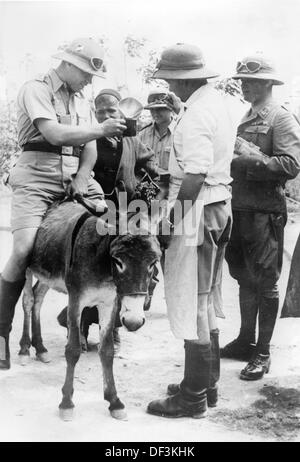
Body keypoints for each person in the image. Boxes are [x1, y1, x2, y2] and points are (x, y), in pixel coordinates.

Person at [0, 37, 127, 370]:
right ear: (68, 64)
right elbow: (54, 134)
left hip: (74, 177)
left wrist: (85, 176)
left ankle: (104, 313)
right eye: (85, 72)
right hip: (36, 179)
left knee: (113, 226)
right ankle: (1, 334)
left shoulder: (80, 101)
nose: (88, 80)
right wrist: (99, 128)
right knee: (24, 247)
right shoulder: (36, 89)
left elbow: (89, 146)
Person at [146, 43, 235, 418]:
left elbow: (195, 172)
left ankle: (193, 396)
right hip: (219, 205)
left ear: (184, 80)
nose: (169, 86)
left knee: (194, 303)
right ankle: (206, 384)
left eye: (170, 79)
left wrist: (171, 220)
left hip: (200, 209)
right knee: (207, 298)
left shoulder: (197, 113)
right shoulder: (218, 104)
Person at [56, 88, 159, 348]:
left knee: (123, 271)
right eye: (100, 111)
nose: (105, 115)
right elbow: (74, 170)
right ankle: (78, 326)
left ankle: (112, 326)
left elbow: (152, 170)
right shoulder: (88, 140)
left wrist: (146, 193)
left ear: (121, 113)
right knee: (91, 269)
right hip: (94, 214)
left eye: (111, 110)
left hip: (126, 213)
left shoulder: (132, 141)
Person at [222, 54, 300, 381]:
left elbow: (290, 165)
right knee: (242, 275)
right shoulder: (247, 114)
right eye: (242, 81)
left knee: (265, 280)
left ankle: (263, 351)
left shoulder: (280, 118)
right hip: (241, 208)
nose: (244, 86)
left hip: (265, 212)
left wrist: (247, 155)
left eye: (251, 81)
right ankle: (245, 339)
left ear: (268, 83)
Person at [139, 89, 176, 205]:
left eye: (160, 108)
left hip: (173, 189)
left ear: (171, 108)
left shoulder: (180, 132)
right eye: (152, 109)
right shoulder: (143, 133)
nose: (155, 113)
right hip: (148, 187)